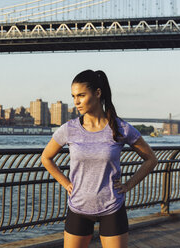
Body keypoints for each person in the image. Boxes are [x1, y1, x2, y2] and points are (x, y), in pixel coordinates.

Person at [41, 70, 158, 248]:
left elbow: (151, 159)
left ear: (97, 93)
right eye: (73, 96)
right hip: (78, 207)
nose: (76, 102)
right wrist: (66, 183)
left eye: (81, 95)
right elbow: (46, 158)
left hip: (112, 207)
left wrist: (128, 185)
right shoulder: (69, 129)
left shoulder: (120, 128)